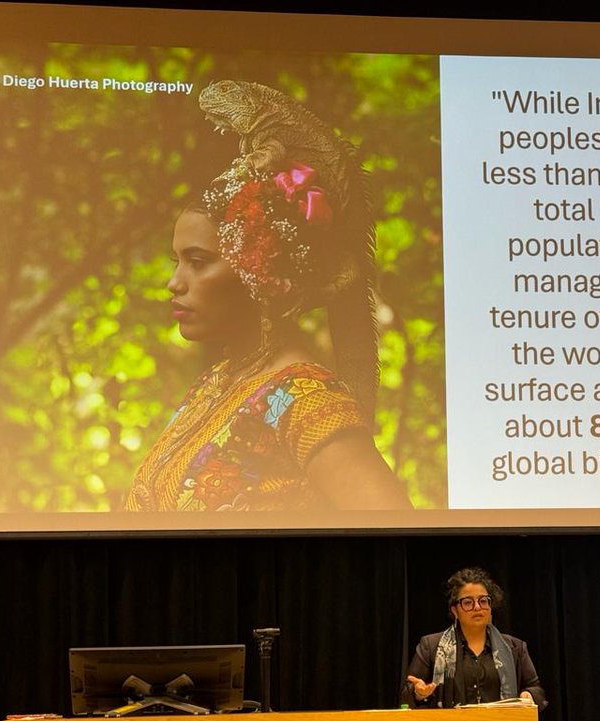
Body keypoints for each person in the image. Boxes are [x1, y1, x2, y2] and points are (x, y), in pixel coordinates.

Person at [125, 80, 411, 512]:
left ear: (261, 267)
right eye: (176, 261)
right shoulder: (219, 382)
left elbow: (393, 528)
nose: (175, 283)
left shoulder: (307, 397)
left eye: (199, 261)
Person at [401, 567, 548, 711]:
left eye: (483, 601)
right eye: (468, 602)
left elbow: (537, 690)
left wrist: (528, 695)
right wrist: (418, 693)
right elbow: (406, 695)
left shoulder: (515, 647)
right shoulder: (431, 646)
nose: (477, 607)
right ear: (455, 610)